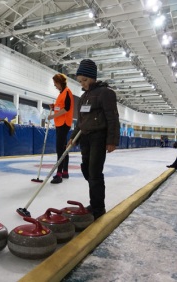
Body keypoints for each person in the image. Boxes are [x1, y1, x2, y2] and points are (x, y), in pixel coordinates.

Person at [68, 59, 120, 220]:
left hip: (99, 137)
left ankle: (98, 207)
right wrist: (72, 138)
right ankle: (95, 200)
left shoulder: (106, 93)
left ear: (92, 78)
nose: (82, 84)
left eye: (84, 80)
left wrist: (112, 140)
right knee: (86, 169)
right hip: (85, 138)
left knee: (95, 172)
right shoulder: (84, 97)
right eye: (80, 81)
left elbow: (112, 118)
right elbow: (81, 121)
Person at [47, 73, 74, 184]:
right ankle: (65, 171)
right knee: (63, 148)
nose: (55, 86)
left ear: (59, 82)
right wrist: (54, 108)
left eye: (55, 84)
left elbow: (66, 109)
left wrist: (53, 116)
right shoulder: (61, 94)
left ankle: (59, 173)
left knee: (60, 148)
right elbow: (60, 108)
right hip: (60, 123)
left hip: (64, 123)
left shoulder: (67, 92)